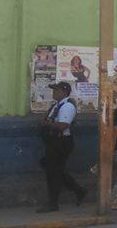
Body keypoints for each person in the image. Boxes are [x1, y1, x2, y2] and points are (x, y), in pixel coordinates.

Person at [37, 81, 86, 213]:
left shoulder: (67, 106)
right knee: (54, 169)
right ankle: (78, 190)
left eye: (56, 90)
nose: (54, 92)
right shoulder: (56, 105)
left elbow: (63, 126)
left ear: (64, 92)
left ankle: (53, 202)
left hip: (61, 141)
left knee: (53, 172)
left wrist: (47, 124)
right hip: (53, 141)